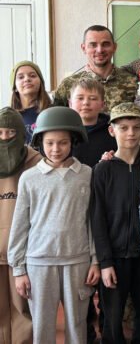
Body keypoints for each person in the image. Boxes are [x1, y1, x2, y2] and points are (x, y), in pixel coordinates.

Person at [8, 107, 100, 344]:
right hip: (38, 263)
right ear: (40, 142)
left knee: (77, 326)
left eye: (62, 143)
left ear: (73, 142)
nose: (56, 149)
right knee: (42, 327)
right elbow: (20, 225)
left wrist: (95, 260)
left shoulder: (87, 174)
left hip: (78, 262)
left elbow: (93, 221)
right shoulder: (29, 178)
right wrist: (18, 269)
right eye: (49, 143)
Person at [91, 103, 140, 343]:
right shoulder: (102, 169)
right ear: (112, 131)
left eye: (136, 127)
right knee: (112, 316)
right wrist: (105, 262)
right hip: (115, 256)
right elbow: (97, 218)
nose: (131, 133)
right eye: (124, 128)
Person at [0, 108, 42, 344]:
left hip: (24, 252)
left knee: (23, 310)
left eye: (11, 132)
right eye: (0, 132)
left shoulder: (35, 161)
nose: (5, 137)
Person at [53, 25, 137, 111]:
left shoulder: (133, 82)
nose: (100, 50)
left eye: (105, 44)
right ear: (84, 48)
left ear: (114, 47)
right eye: (93, 45)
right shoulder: (69, 85)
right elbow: (54, 116)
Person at [69, 78, 118, 167]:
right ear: (70, 103)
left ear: (102, 105)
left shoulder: (113, 132)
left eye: (93, 98)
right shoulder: (63, 132)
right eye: (80, 98)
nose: (86, 103)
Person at [10, 61, 52, 145]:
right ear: (15, 87)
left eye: (32, 75)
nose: (27, 79)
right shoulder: (9, 118)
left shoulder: (53, 112)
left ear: (41, 82)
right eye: (21, 77)